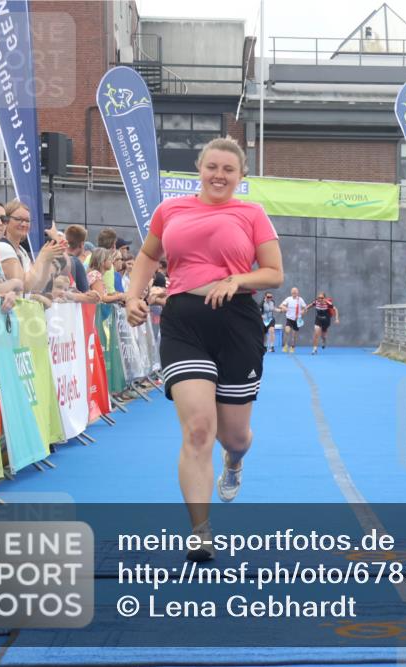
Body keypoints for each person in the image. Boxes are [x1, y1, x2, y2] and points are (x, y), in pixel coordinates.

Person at [124, 136, 283, 562]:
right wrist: (133, 297)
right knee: (197, 428)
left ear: (240, 176)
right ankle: (200, 529)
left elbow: (273, 272)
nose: (219, 175)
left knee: (234, 436)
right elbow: (146, 256)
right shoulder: (171, 210)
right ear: (200, 168)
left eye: (229, 170)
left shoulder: (251, 214)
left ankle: (234, 460)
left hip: (236, 324)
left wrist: (237, 280)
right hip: (184, 323)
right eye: (212, 167)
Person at [0, 200, 66, 296]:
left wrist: (47, 260)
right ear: (6, 221)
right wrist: (42, 257)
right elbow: (24, 287)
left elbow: (38, 287)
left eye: (27, 221)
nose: (24, 224)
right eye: (18, 219)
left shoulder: (22, 251)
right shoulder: (2, 247)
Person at [278, 287, 306, 353]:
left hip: (297, 319)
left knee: (294, 334)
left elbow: (305, 308)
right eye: (293, 292)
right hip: (289, 319)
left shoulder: (300, 299)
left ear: (297, 292)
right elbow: (280, 305)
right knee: (287, 331)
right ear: (291, 292)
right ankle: (285, 346)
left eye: (295, 292)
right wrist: (285, 308)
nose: (294, 293)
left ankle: (292, 347)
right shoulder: (288, 299)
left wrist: (303, 311)